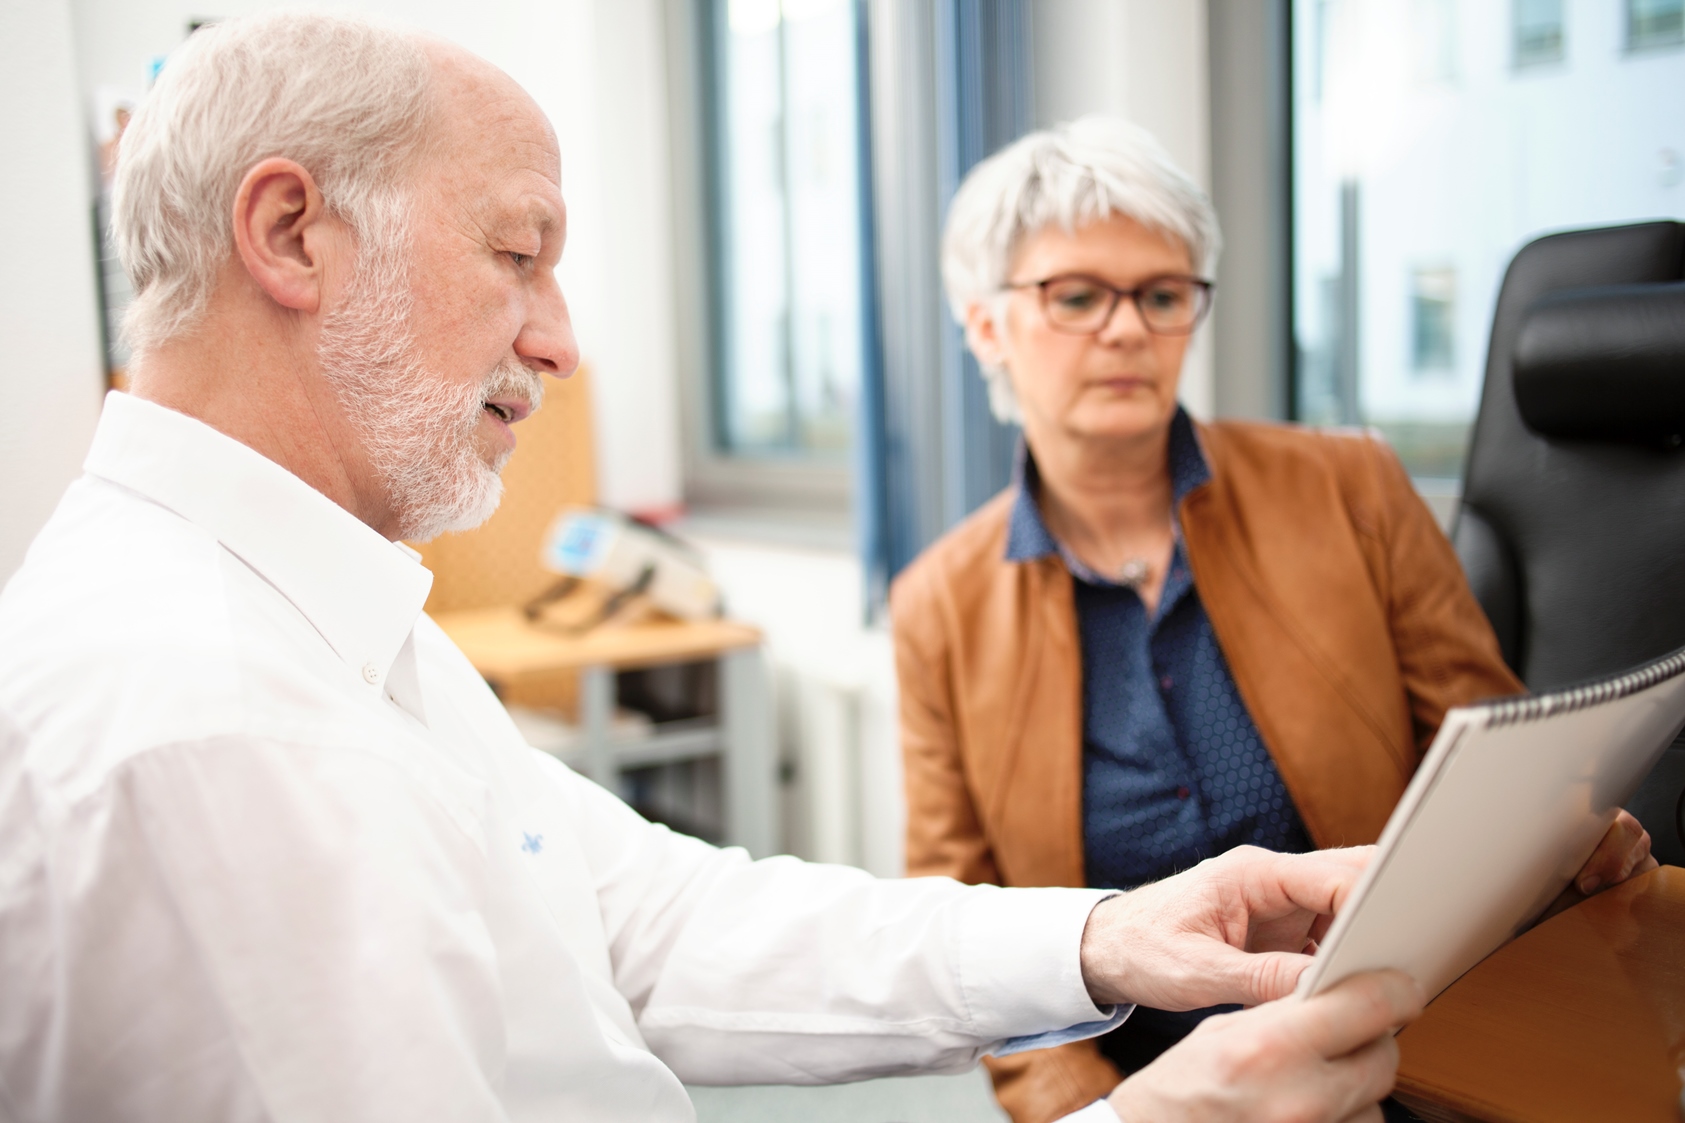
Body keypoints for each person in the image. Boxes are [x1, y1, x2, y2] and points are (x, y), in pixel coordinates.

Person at [0, 14, 1430, 1123]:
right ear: (290, 233)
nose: (560, 340)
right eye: (518, 254)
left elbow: (649, 920)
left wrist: (1109, 934)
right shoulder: (210, 714)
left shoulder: (319, 613)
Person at [891, 116, 1657, 1123]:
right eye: (1075, 295)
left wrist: (1564, 830)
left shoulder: (1349, 486)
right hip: (1150, 1092)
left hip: (1400, 1035)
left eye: (1162, 295)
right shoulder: (937, 607)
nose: (1126, 329)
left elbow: (1499, 774)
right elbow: (964, 937)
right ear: (986, 325)